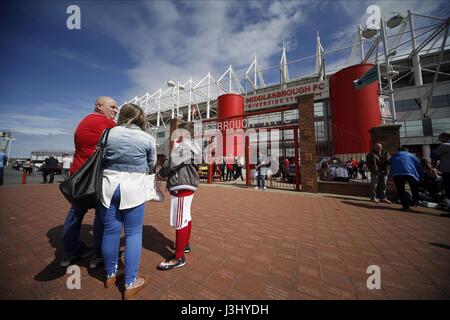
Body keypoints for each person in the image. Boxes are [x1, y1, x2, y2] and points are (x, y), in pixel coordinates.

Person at [98, 103, 156, 300]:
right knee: (133, 234)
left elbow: (101, 156)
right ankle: (130, 283)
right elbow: (151, 163)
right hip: (134, 187)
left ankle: (110, 274)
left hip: (109, 185)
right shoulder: (147, 138)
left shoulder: (108, 133)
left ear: (122, 115)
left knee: (110, 232)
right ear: (140, 118)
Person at [60, 96, 118, 268]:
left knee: (76, 213)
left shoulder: (84, 121)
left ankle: (69, 252)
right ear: (100, 106)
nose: (116, 110)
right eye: (113, 107)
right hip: (97, 177)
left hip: (78, 175)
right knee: (102, 215)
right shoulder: (107, 124)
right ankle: (98, 254)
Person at [157, 123, 200, 270]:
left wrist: (159, 174)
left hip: (181, 185)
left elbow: (171, 165)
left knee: (180, 220)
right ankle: (184, 245)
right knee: (186, 216)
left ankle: (179, 256)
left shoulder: (185, 147)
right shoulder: (191, 146)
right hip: (186, 185)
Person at [391, 147, 423, 211]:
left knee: (401, 190)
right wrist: (421, 176)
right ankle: (416, 201)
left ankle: (405, 206)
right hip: (409, 173)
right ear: (406, 151)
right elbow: (418, 165)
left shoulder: (393, 156)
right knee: (414, 187)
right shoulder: (410, 155)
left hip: (397, 174)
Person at [431, 132, 450, 200]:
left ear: (445, 137)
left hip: (447, 171)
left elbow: (433, 154)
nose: (439, 139)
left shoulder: (445, 145)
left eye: (440, 137)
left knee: (448, 189)